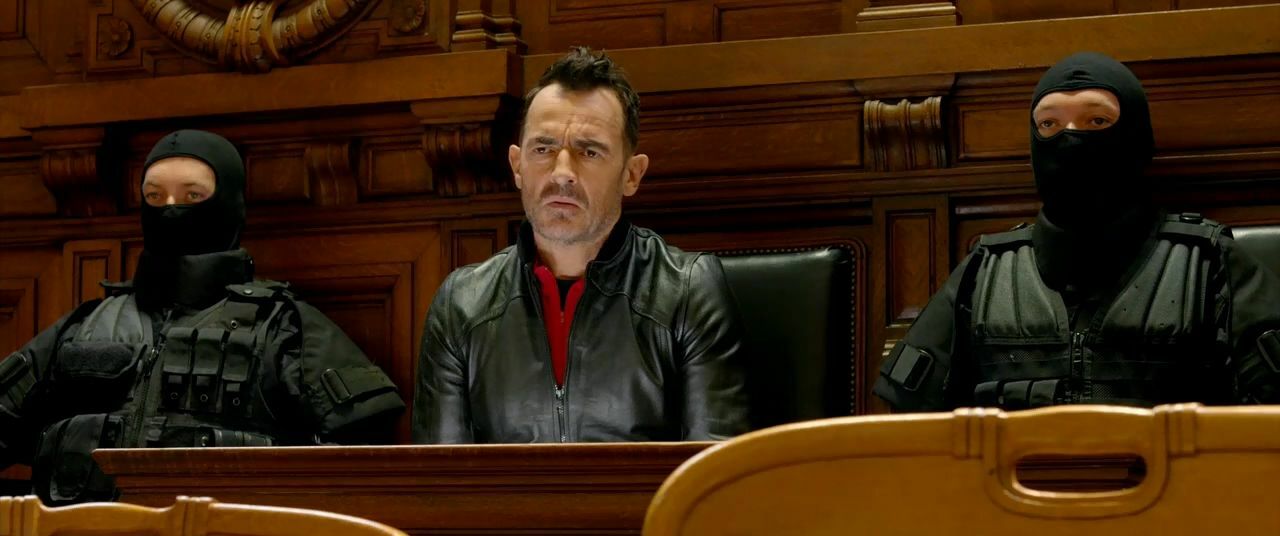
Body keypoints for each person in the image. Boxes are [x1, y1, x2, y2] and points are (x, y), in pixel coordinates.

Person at [0, 130, 404, 503]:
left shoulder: (283, 326)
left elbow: (365, 460)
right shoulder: (84, 326)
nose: (170, 209)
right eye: (154, 196)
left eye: (192, 195)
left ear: (229, 203)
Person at [874, 52, 1280, 411]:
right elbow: (912, 421)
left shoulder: (1209, 262)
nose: (1069, 139)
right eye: (1049, 124)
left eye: (1097, 121)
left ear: (1136, 137)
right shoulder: (985, 270)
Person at [413, 48, 749, 443]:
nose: (562, 172)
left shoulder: (688, 292)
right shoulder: (461, 305)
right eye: (543, 149)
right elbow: (442, 477)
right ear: (517, 165)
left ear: (632, 174)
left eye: (589, 151)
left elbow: (711, 473)